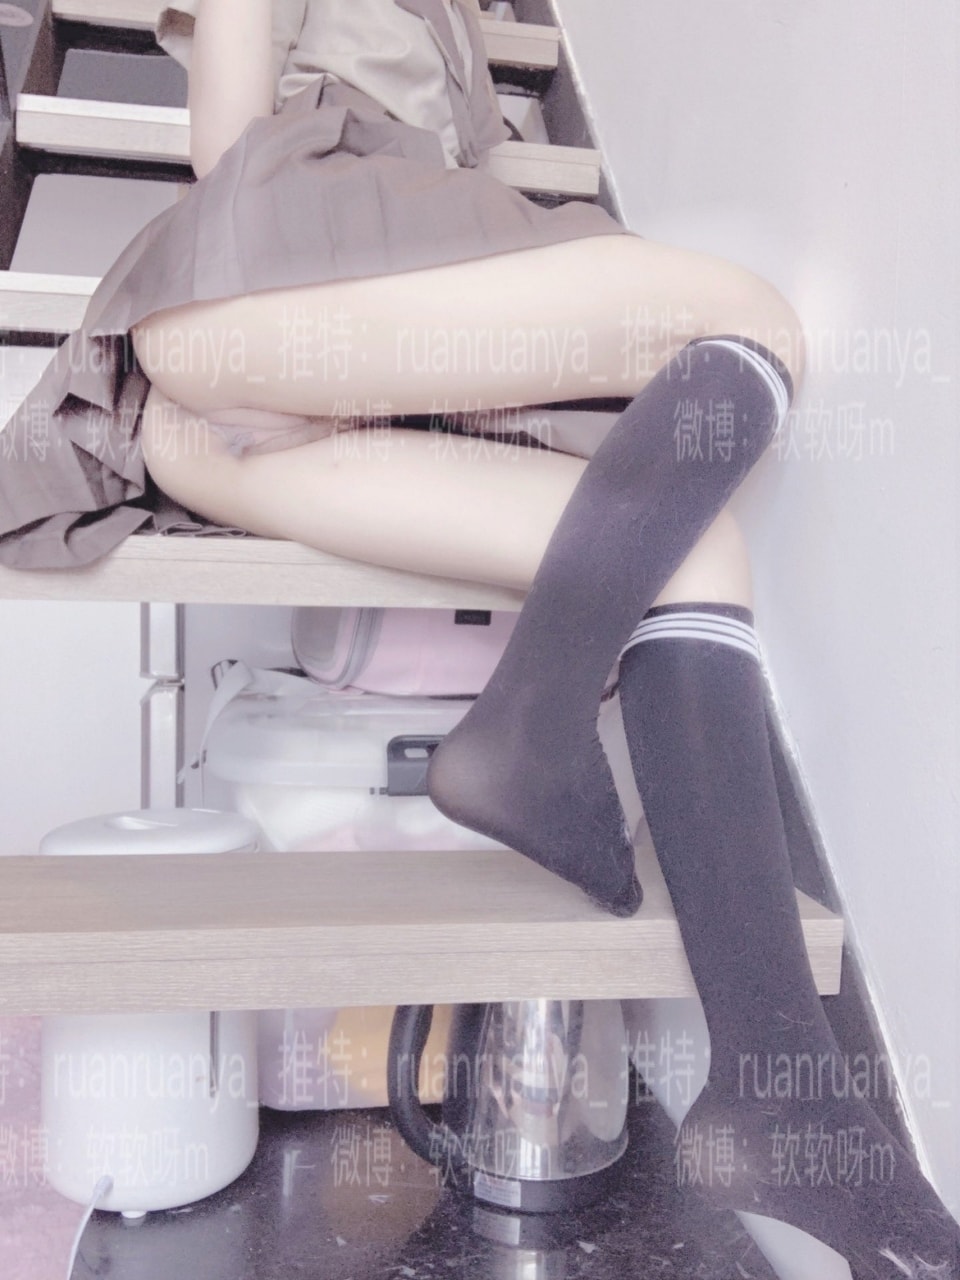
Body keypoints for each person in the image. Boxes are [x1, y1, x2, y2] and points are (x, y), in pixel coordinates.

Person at [1, 3, 956, 1274]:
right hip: (253, 302)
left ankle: (782, 1092)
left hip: (268, 405)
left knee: (696, 547)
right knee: (753, 321)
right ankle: (532, 718)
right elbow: (228, 147)